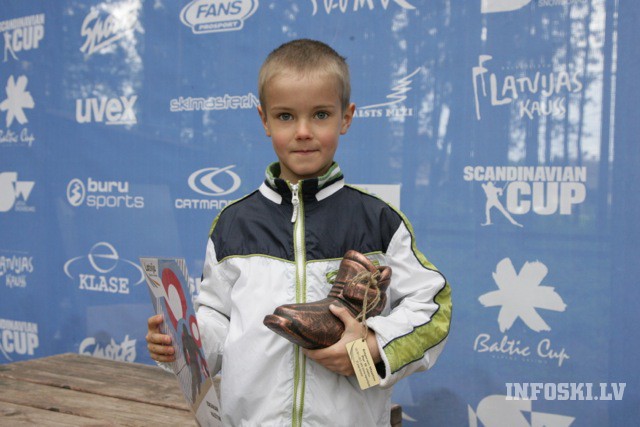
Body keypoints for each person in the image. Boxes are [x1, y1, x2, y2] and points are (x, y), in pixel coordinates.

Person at [146, 39, 452, 426]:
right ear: (264, 120)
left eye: (321, 114)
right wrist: (182, 341)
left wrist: (371, 346)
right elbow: (218, 322)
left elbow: (433, 310)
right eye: (286, 116)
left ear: (346, 118)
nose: (303, 131)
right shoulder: (233, 224)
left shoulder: (378, 221)